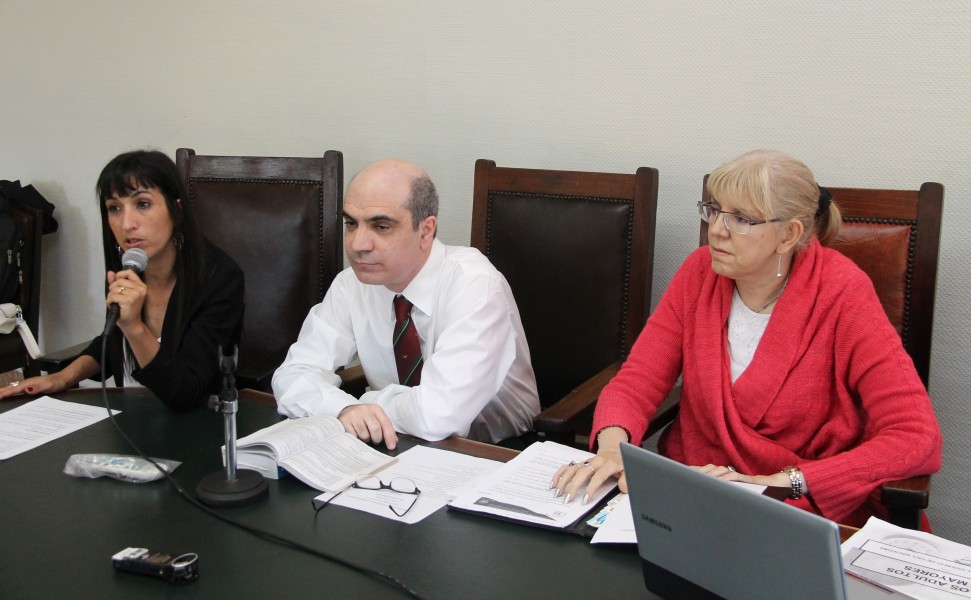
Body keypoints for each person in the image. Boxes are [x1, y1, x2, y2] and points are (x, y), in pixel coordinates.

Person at [552, 150, 941, 527]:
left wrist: (781, 483)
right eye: (715, 210)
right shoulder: (698, 272)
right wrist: (612, 449)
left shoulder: (843, 292)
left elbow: (915, 435)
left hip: (794, 509)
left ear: (789, 235)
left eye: (740, 218)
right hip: (693, 496)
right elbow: (638, 380)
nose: (717, 229)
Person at [273, 158, 539, 447]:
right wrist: (343, 409)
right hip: (395, 441)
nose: (357, 244)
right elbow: (293, 373)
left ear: (426, 231)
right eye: (351, 223)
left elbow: (438, 414)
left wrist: (367, 403)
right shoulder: (351, 285)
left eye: (381, 226)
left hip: (497, 450)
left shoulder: (475, 284)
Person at [0, 150, 244, 411]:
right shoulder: (131, 266)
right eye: (114, 208)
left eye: (143, 204)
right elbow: (113, 339)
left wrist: (135, 326)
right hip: (132, 416)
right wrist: (61, 378)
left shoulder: (220, 277)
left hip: (195, 426)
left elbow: (185, 393)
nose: (127, 223)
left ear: (176, 209)